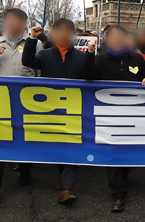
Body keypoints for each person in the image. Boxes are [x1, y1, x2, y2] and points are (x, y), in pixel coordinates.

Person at [0, 8, 43, 201]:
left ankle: (25, 171)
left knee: (25, 138)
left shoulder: (36, 43)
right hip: (1, 100)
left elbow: (40, 73)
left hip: (27, 100)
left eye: (17, 21)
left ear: (24, 24)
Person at [83, 25, 145, 212]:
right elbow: (87, 77)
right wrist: (89, 53)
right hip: (108, 115)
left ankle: (124, 176)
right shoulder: (100, 60)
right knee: (111, 153)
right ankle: (117, 193)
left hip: (133, 113)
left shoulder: (136, 58)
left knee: (127, 151)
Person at [21, 18, 84, 204]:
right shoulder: (45, 55)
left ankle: (67, 188)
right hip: (51, 109)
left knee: (72, 147)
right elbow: (27, 61)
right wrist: (32, 38)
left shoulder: (81, 57)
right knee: (57, 147)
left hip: (74, 109)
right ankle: (63, 175)